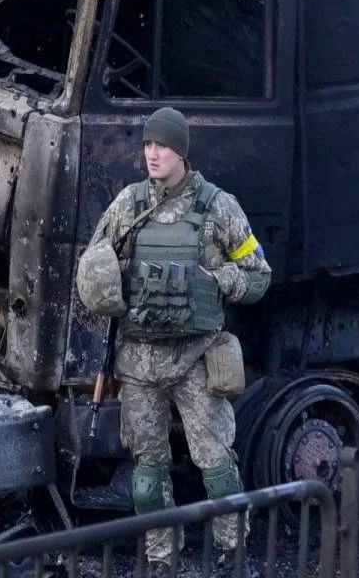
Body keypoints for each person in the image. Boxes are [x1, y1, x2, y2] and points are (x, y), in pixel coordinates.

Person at [76, 107, 271, 577]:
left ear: (181, 150)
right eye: (146, 145)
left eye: (161, 145)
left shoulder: (216, 206)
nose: (152, 153)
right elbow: (93, 263)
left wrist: (219, 279)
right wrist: (111, 281)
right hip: (139, 364)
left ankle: (232, 556)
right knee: (146, 477)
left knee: (218, 468)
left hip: (196, 360)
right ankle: (162, 560)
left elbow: (259, 275)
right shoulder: (128, 204)